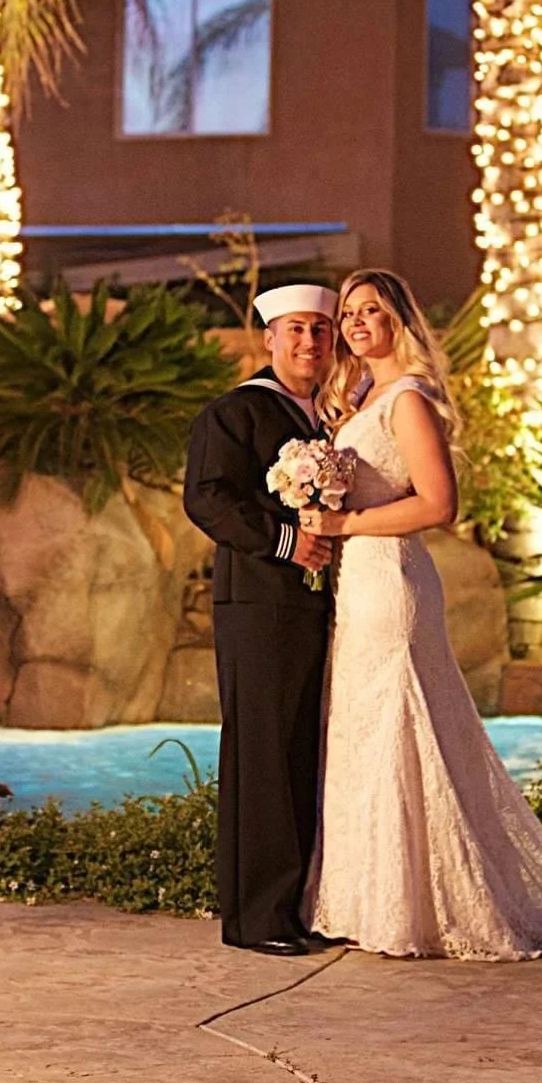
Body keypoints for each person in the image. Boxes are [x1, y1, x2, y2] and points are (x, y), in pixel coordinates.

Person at [299, 269, 542, 960]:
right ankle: (371, 898)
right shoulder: (362, 396)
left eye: (371, 309)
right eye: (349, 310)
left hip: (391, 581)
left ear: (399, 320)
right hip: (358, 583)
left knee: (399, 727)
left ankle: (420, 906)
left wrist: (348, 522)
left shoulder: (406, 400)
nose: (356, 321)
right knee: (362, 729)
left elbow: (438, 503)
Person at [181, 284, 340, 956]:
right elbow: (206, 498)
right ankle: (256, 918)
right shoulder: (236, 411)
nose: (309, 343)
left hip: (314, 607)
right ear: (270, 338)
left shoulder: (329, 419)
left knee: (303, 753)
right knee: (263, 758)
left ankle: (296, 903)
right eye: (296, 330)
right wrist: (285, 541)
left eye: (321, 331)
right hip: (258, 606)